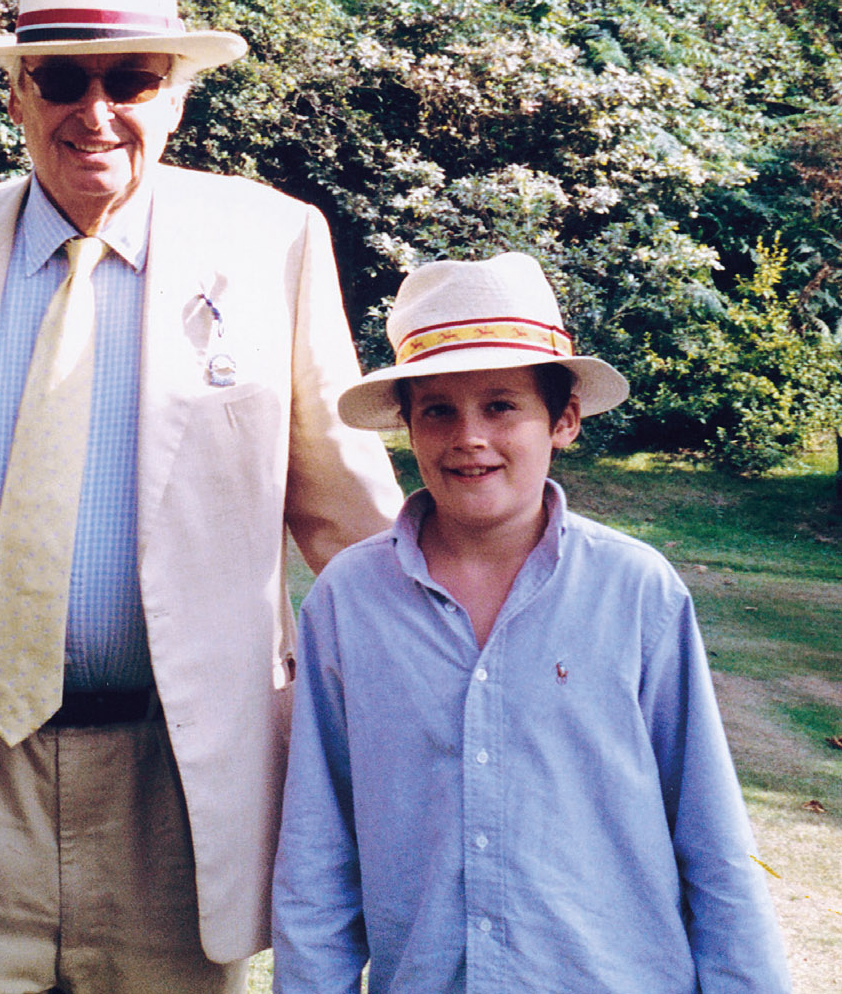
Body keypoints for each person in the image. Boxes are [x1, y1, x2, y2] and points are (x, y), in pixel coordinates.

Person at [0, 0, 403, 994]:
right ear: (15, 93)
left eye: (130, 79)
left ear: (176, 93)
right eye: (59, 78)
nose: (92, 112)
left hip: (179, 791)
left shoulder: (272, 244)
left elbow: (345, 513)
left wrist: (488, 638)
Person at [271, 251, 792, 993]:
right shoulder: (348, 604)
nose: (469, 436)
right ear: (408, 426)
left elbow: (711, 835)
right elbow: (318, 857)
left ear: (565, 419)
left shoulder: (636, 590)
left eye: (501, 404)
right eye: (439, 409)